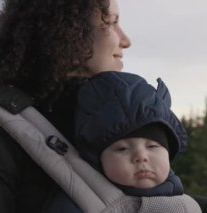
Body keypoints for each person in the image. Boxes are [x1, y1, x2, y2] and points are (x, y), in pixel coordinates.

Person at [0, 0, 207, 212]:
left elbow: (128, 199)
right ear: (67, 31)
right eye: (111, 23)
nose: (126, 40)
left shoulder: (81, 114)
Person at [46, 71, 190, 212]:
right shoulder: (77, 202)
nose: (141, 157)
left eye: (152, 146)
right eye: (122, 149)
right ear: (97, 160)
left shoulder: (181, 199)